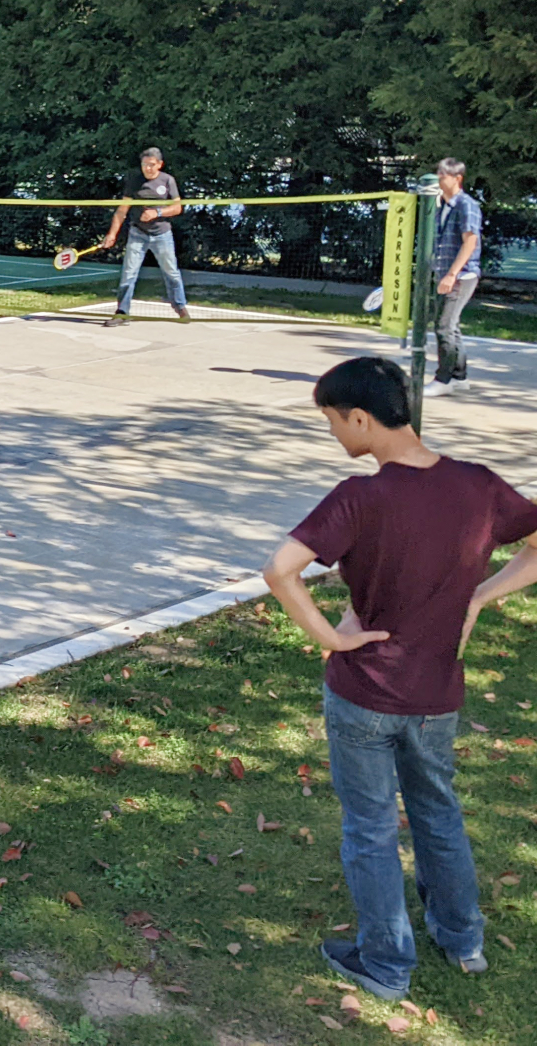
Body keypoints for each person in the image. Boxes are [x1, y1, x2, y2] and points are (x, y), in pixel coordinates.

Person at [263, 356, 537, 1001]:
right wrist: (478, 596)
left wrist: (333, 639)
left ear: (359, 418)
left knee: (371, 828)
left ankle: (386, 964)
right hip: (437, 693)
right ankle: (463, 942)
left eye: (331, 421)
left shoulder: (360, 495)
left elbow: (280, 571)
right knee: (439, 813)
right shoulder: (478, 486)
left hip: (365, 694)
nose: (334, 433)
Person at [100, 146, 189, 326]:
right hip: (138, 233)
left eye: (151, 165)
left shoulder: (168, 181)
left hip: (162, 234)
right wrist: (112, 234)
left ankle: (180, 307)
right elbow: (122, 210)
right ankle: (122, 312)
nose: (147, 168)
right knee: (128, 273)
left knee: (171, 272)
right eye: (144, 165)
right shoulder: (134, 181)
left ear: (159, 165)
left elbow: (177, 208)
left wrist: (156, 213)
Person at [426, 157, 481, 398]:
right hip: (448, 274)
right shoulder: (443, 206)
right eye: (438, 174)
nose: (439, 179)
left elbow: (470, 241)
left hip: (462, 275)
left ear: (457, 178)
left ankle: (444, 379)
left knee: (444, 327)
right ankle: (460, 377)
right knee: (452, 326)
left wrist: (451, 274)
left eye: (443, 175)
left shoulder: (466, 205)